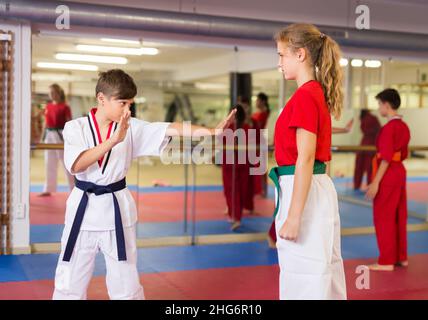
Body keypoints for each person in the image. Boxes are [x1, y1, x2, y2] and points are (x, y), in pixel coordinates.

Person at [53, 69, 235, 299]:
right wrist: (113, 140)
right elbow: (77, 165)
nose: (128, 109)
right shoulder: (75, 127)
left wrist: (212, 131)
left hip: (116, 211)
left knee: (126, 285)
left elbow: (170, 127)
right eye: (122, 103)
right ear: (102, 99)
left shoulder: (131, 127)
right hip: (82, 212)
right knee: (68, 282)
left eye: (130, 103)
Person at [271, 23, 347, 299]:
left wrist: (294, 216)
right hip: (312, 188)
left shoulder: (306, 96)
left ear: (300, 54)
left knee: (305, 274)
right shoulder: (312, 93)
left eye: (282, 55)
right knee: (322, 269)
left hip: (305, 188)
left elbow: (305, 159)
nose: (279, 63)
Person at [366, 89, 410, 271]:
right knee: (399, 215)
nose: (378, 108)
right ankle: (401, 257)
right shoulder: (403, 126)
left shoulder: (389, 128)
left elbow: (386, 157)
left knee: (384, 216)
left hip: (388, 173)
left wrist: (376, 182)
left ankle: (386, 261)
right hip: (399, 171)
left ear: (386, 104)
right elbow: (400, 154)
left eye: (379, 104)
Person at [38, 84, 75, 196]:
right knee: (49, 161)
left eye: (53, 92)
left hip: (60, 135)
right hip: (49, 135)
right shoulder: (48, 106)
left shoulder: (65, 107)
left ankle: (73, 189)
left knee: (66, 162)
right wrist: (41, 137)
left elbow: (69, 122)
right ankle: (48, 188)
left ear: (59, 93)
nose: (52, 95)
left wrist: (70, 138)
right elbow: (45, 122)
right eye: (50, 93)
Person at [221, 104, 251, 231]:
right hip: (242, 164)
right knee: (240, 191)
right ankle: (236, 216)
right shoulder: (247, 128)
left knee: (231, 191)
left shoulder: (228, 128)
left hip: (230, 164)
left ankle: (234, 216)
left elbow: (220, 142)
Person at [354, 109, 381, 190]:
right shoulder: (373, 118)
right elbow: (378, 129)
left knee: (359, 167)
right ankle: (370, 186)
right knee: (370, 168)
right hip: (371, 144)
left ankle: (357, 185)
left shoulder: (365, 119)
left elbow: (364, 129)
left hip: (364, 144)